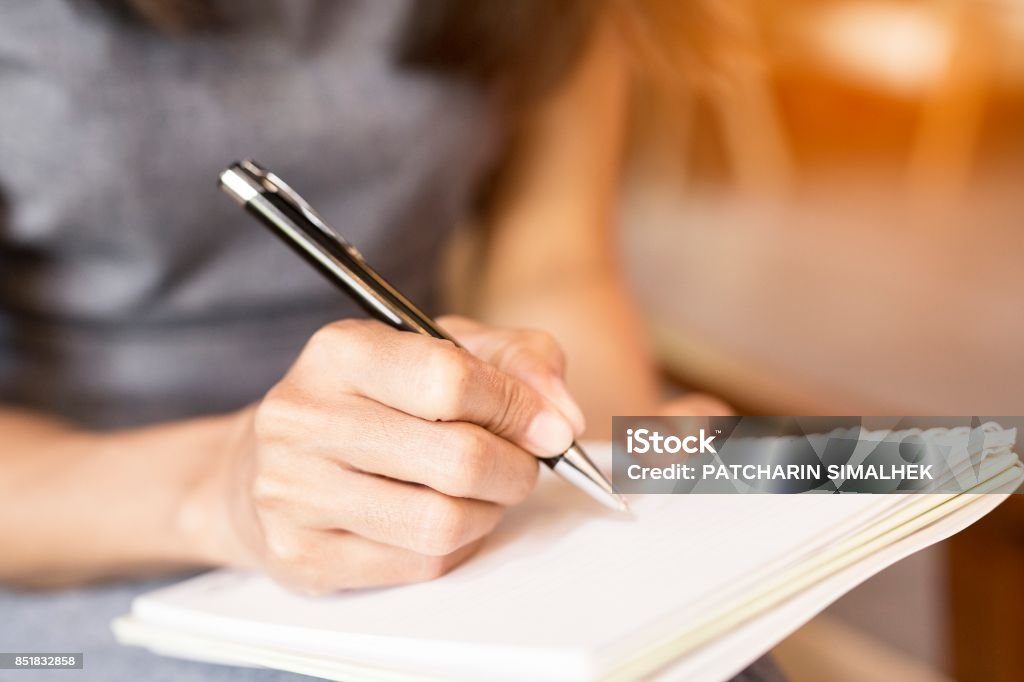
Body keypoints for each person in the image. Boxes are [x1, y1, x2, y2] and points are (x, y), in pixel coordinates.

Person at [0, 1, 783, 680]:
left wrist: (601, 450)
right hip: (79, 536)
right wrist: (222, 493)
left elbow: (553, 269)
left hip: (439, 494)